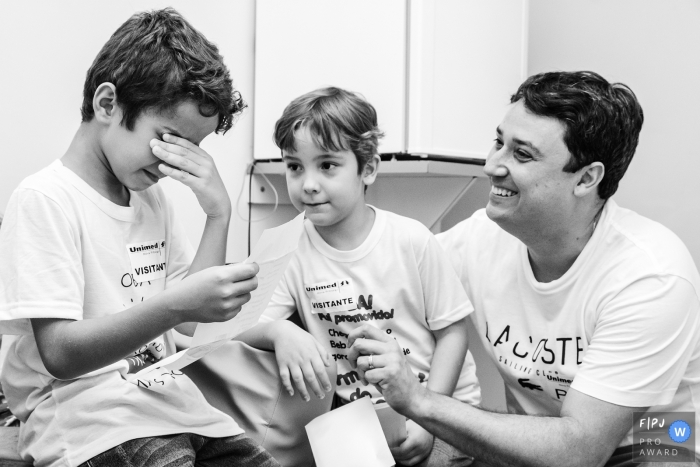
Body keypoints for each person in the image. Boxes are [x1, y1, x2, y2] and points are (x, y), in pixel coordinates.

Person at [346, 71, 700, 466]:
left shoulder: (652, 274)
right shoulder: (481, 237)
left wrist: (421, 403)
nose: (492, 166)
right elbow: (378, 276)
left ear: (586, 178)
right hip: (538, 442)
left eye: (522, 154)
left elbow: (581, 452)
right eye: (499, 142)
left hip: (651, 447)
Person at [0, 8, 280, 467]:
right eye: (167, 138)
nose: (175, 161)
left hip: (167, 404)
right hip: (84, 415)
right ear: (107, 104)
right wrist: (175, 305)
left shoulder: (151, 201)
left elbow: (192, 327)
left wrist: (218, 214)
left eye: (192, 148)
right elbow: (59, 354)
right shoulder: (45, 199)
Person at [236, 87, 481, 466]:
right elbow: (237, 325)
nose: (308, 183)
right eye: (295, 166)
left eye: (327, 165)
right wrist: (279, 331)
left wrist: (429, 417)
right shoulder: (289, 247)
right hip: (361, 424)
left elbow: (453, 333)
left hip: (443, 412)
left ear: (367, 168)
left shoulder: (411, 239)